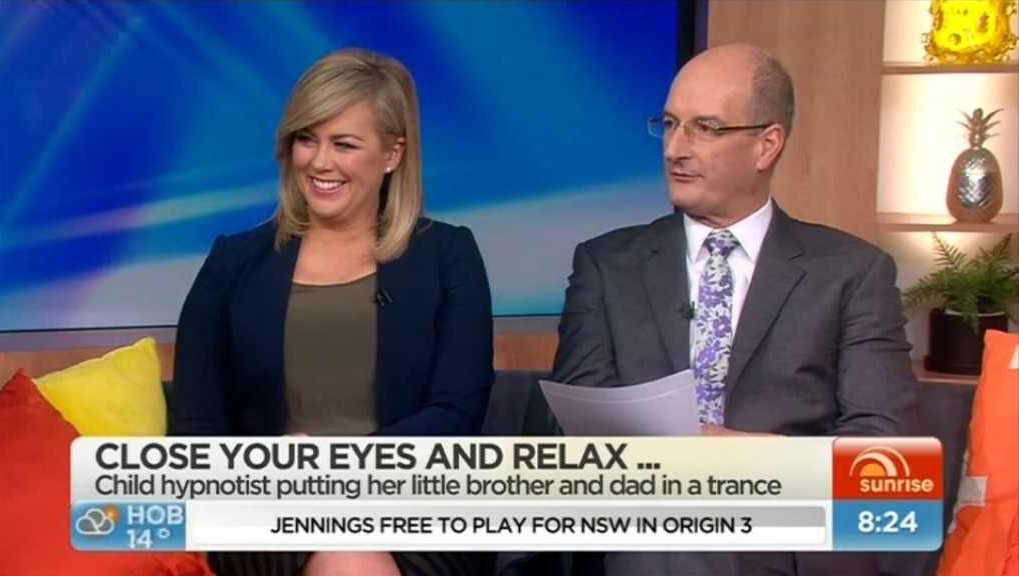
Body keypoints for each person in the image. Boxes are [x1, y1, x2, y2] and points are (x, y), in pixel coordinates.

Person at [499, 42, 920, 576]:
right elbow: (574, 429)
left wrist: (735, 460)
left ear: (767, 145)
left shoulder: (851, 272)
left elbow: (887, 455)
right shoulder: (606, 265)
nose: (676, 148)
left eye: (705, 128)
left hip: (782, 543)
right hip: (642, 537)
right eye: (670, 125)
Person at [168, 47, 496, 576]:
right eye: (306, 139)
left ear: (392, 153)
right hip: (265, 509)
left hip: (412, 507)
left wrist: (335, 468)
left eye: (344, 144)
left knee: (352, 555)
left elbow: (455, 416)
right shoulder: (232, 264)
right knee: (347, 556)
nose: (320, 162)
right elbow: (196, 433)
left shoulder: (447, 255)